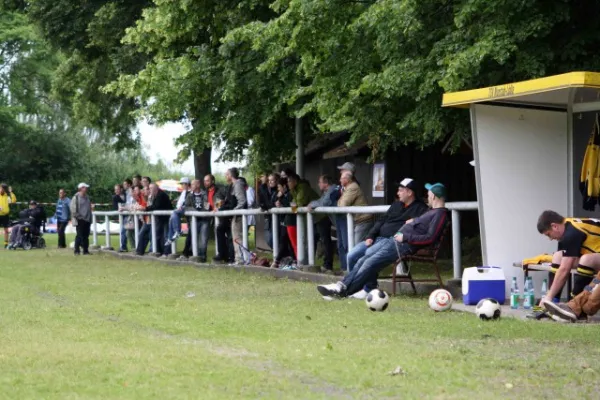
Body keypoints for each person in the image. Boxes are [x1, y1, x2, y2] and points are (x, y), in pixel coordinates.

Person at [317, 183, 449, 299]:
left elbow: (430, 238)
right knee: (364, 259)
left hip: (403, 245)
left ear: (434, 196)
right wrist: (414, 222)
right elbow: (422, 226)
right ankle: (342, 286)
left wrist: (406, 237)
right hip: (395, 241)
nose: (427, 195)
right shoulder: (432, 212)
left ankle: (343, 292)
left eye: (429, 193)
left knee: (369, 263)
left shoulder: (440, 214)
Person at [344, 178, 429, 298]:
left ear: (410, 192)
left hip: (392, 242)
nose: (398, 193)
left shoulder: (421, 209)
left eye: (400, 190)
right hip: (377, 239)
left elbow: (420, 226)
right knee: (351, 255)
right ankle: (370, 286)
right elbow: (381, 220)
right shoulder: (396, 205)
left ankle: (361, 288)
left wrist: (414, 221)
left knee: (367, 256)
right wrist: (370, 236)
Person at [535, 211, 600, 304]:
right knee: (558, 256)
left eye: (548, 234)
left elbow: (565, 269)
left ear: (554, 226)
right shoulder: (567, 225)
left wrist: (548, 296)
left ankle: (575, 305)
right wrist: (550, 296)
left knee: (587, 260)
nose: (550, 238)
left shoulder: (571, 233)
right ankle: (552, 302)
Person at [336, 171, 373, 271]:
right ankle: (359, 270)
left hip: (363, 221)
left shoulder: (352, 187)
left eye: (341, 178)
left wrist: (339, 201)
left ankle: (358, 271)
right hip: (359, 221)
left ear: (347, 179)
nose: (340, 180)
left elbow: (342, 204)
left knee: (356, 249)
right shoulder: (348, 188)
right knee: (356, 248)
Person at [307, 175, 340, 272]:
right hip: (338, 221)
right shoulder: (327, 191)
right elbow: (320, 201)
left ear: (326, 183)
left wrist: (312, 205)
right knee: (341, 245)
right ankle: (341, 267)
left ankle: (344, 268)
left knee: (344, 244)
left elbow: (325, 202)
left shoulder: (333, 189)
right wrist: (312, 204)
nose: (318, 184)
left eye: (319, 182)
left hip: (343, 220)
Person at [287, 173, 321, 260]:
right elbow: (294, 207)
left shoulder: (303, 187)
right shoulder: (294, 190)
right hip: (311, 217)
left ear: (295, 181)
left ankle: (312, 262)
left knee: (315, 239)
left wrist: (294, 206)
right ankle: (307, 261)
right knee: (310, 239)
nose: (288, 184)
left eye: (289, 181)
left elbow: (299, 204)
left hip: (320, 216)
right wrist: (294, 207)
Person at [216, 168, 247, 264]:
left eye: (226, 174)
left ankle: (240, 259)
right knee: (235, 237)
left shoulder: (237, 185)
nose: (225, 176)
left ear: (230, 175)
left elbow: (242, 201)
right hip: (235, 216)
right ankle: (238, 258)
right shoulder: (233, 186)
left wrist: (233, 211)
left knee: (237, 237)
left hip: (238, 216)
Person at [136, 183, 172, 256]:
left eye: (151, 188)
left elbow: (156, 206)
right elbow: (154, 206)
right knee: (158, 235)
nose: (150, 190)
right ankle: (160, 251)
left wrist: (145, 208)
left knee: (165, 235)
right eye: (149, 188)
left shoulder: (160, 195)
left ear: (156, 188)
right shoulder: (155, 195)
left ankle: (166, 253)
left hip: (165, 218)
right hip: (159, 218)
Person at [181, 179, 210, 262]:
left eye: (193, 184)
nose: (191, 186)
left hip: (204, 220)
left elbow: (207, 206)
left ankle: (202, 257)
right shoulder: (189, 195)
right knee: (191, 237)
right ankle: (191, 254)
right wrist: (196, 212)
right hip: (194, 220)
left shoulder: (205, 194)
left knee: (203, 239)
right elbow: (186, 206)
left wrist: (202, 213)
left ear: (198, 185)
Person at [271, 177, 296, 268]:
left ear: (284, 186)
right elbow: (273, 202)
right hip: (285, 221)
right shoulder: (283, 195)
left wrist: (281, 202)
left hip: (291, 221)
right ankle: (293, 260)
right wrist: (278, 198)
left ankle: (277, 261)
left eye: (279, 187)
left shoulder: (290, 194)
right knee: (287, 241)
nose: (278, 189)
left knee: (285, 240)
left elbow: (293, 207)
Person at [165, 177, 191, 246]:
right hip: (182, 215)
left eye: (182, 184)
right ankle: (171, 237)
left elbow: (186, 203)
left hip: (185, 215)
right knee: (171, 218)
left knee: (187, 233)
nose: (181, 186)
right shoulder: (184, 192)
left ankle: (177, 232)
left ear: (187, 184)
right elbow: (180, 203)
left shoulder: (190, 192)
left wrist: (180, 206)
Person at [70, 183, 93, 256]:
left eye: (86, 187)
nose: (86, 189)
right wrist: (78, 217)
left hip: (87, 220)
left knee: (86, 236)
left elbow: (89, 208)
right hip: (79, 219)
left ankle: (85, 251)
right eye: (85, 187)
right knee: (79, 235)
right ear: (81, 188)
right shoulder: (75, 197)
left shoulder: (87, 197)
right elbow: (73, 209)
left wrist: (89, 217)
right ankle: (76, 251)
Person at [259, 173, 279, 249]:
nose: (270, 182)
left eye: (272, 180)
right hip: (270, 218)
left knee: (273, 240)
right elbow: (264, 200)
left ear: (277, 181)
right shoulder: (269, 190)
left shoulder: (278, 191)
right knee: (269, 240)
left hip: (278, 219)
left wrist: (268, 206)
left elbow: (270, 204)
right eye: (268, 180)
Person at [0, 183, 16, 248]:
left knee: (6, 230)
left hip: (5, 215)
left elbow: (14, 201)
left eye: (2, 188)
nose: (1, 189)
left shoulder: (7, 196)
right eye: (0, 188)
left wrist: (11, 192)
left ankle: (6, 244)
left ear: (5, 189)